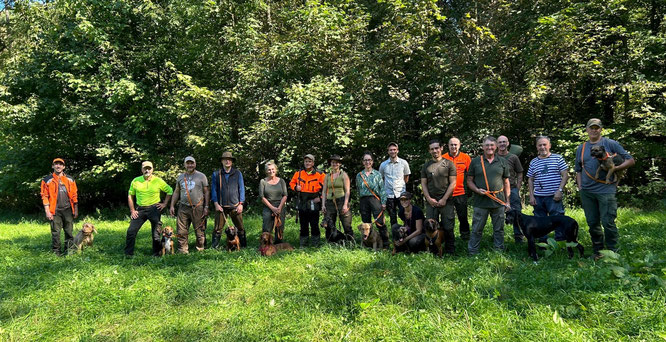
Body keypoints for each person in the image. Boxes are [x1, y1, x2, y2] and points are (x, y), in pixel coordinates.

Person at [575, 118, 634, 257]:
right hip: (587, 191)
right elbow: (578, 169)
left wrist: (614, 168)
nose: (594, 130)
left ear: (601, 129)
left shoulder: (610, 143)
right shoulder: (581, 148)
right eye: (591, 128)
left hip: (605, 191)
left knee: (608, 222)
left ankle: (613, 252)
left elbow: (630, 160)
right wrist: (580, 187)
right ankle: (598, 251)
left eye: (597, 128)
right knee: (592, 222)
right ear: (587, 130)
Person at [467, 136, 511, 255]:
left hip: (498, 201)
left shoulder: (502, 162)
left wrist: (508, 201)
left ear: (496, 146)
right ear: (483, 147)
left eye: (492, 145)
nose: (489, 148)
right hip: (481, 202)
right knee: (477, 229)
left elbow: (506, 182)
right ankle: (473, 251)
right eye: (487, 145)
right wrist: (477, 190)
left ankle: (499, 251)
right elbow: (469, 180)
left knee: (499, 229)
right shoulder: (476, 162)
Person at [125, 161, 173, 256]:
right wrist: (132, 210)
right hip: (140, 210)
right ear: (142, 169)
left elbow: (170, 191)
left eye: (149, 168)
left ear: (152, 169)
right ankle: (128, 254)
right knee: (131, 231)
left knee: (156, 234)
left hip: (154, 209)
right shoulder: (136, 181)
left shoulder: (158, 180)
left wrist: (164, 204)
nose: (147, 170)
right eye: (145, 168)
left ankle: (156, 254)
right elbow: (130, 195)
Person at [421, 139, 458, 254]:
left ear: (441, 148)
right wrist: (428, 198)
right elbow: (423, 183)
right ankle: (433, 251)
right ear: (429, 151)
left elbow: (453, 183)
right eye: (432, 149)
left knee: (448, 227)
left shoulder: (448, 164)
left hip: (446, 201)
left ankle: (450, 251)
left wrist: (444, 199)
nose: (435, 151)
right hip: (431, 202)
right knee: (430, 227)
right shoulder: (426, 166)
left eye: (437, 148)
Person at [169, 156, 209, 253]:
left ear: (195, 164)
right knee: (181, 230)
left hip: (198, 207)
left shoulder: (201, 176)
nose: (190, 165)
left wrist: (206, 206)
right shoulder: (180, 177)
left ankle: (200, 249)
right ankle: (182, 250)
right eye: (188, 163)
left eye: (192, 163)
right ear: (184, 165)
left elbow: (207, 192)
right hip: (183, 207)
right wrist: (172, 205)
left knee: (199, 230)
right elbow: (176, 192)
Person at [40, 158, 79, 255]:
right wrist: (47, 211)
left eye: (60, 164)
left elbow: (74, 196)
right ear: (53, 166)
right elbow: (44, 196)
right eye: (56, 164)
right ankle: (56, 253)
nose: (58, 166)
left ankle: (69, 251)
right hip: (54, 211)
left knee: (69, 232)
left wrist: (76, 210)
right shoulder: (47, 180)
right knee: (56, 233)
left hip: (68, 210)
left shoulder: (70, 179)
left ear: (64, 167)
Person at [527, 136, 569, 220]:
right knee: (540, 223)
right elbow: (530, 179)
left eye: (544, 144)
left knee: (558, 220)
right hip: (538, 197)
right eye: (540, 145)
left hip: (554, 196)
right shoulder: (533, 162)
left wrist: (560, 191)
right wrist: (531, 196)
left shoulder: (558, 158)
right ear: (537, 147)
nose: (542, 147)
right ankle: (543, 234)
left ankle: (560, 234)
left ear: (549, 145)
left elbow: (565, 175)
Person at [211, 152, 246, 248]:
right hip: (221, 206)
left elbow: (241, 188)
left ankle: (243, 246)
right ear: (222, 161)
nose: (227, 161)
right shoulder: (216, 174)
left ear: (232, 162)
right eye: (225, 159)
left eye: (229, 159)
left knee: (240, 228)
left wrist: (241, 203)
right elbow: (213, 190)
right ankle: (214, 248)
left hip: (235, 205)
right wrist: (216, 203)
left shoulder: (237, 173)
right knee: (218, 229)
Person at [290, 154, 325, 248]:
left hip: (314, 201)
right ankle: (303, 244)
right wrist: (295, 187)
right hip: (302, 201)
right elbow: (291, 183)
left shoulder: (320, 174)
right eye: (306, 161)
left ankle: (315, 243)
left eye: (309, 161)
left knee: (314, 223)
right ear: (304, 162)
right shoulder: (298, 173)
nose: (307, 163)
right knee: (303, 224)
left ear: (313, 163)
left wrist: (321, 198)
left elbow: (327, 188)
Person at [356, 152, 389, 248]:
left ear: (372, 162)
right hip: (363, 200)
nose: (367, 162)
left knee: (380, 222)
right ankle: (367, 244)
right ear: (363, 162)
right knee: (365, 223)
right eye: (365, 160)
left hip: (375, 199)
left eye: (369, 160)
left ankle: (385, 244)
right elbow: (358, 189)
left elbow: (382, 189)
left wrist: (383, 202)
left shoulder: (377, 174)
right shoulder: (359, 175)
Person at [497, 135, 525, 243]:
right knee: (498, 215)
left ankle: (519, 237)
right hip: (498, 191)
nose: (502, 144)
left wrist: (518, 187)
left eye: (504, 142)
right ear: (497, 144)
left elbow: (520, 172)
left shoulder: (513, 157)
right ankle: (499, 239)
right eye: (500, 142)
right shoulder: (493, 157)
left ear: (508, 143)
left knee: (516, 213)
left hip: (512, 190)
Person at [442, 137, 472, 240]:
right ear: (448, 146)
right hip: (446, 194)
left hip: (461, 192)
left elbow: (471, 174)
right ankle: (448, 237)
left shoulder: (466, 157)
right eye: (451, 145)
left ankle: (465, 236)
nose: (453, 147)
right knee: (447, 218)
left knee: (463, 217)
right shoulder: (443, 157)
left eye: (455, 145)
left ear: (459, 145)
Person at [322, 155, 354, 241]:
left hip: (341, 200)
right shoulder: (327, 176)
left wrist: (345, 204)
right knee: (329, 224)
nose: (334, 164)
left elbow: (347, 191)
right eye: (333, 162)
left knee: (346, 223)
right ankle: (331, 243)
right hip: (329, 202)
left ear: (339, 164)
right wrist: (323, 205)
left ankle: (350, 242)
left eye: (336, 162)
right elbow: (324, 191)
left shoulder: (344, 175)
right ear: (330, 164)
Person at [378, 142, 411, 228]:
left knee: (404, 214)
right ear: (388, 152)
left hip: (401, 194)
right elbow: (381, 179)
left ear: (397, 151)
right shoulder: (383, 165)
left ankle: (407, 232)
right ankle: (395, 235)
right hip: (389, 195)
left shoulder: (404, 163)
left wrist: (400, 185)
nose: (392, 151)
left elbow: (406, 178)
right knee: (392, 217)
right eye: (390, 150)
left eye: (394, 150)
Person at [260, 161, 288, 243]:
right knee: (266, 228)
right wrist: (272, 208)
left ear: (276, 170)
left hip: (280, 206)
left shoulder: (281, 181)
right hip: (268, 207)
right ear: (266, 171)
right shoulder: (263, 182)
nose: (271, 171)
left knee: (279, 227)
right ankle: (265, 246)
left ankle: (278, 245)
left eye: (272, 169)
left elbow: (285, 195)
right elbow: (262, 197)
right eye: (269, 170)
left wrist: (279, 208)